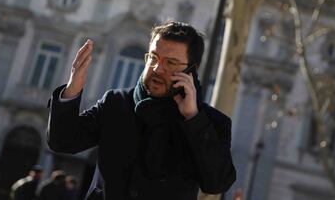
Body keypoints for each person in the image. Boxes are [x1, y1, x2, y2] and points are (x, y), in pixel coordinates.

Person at [47, 21, 236, 200]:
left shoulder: (211, 123)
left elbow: (217, 182)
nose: (157, 68)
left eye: (170, 63)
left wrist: (193, 119)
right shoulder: (116, 103)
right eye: (153, 57)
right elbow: (62, 141)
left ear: (191, 71)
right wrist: (73, 89)